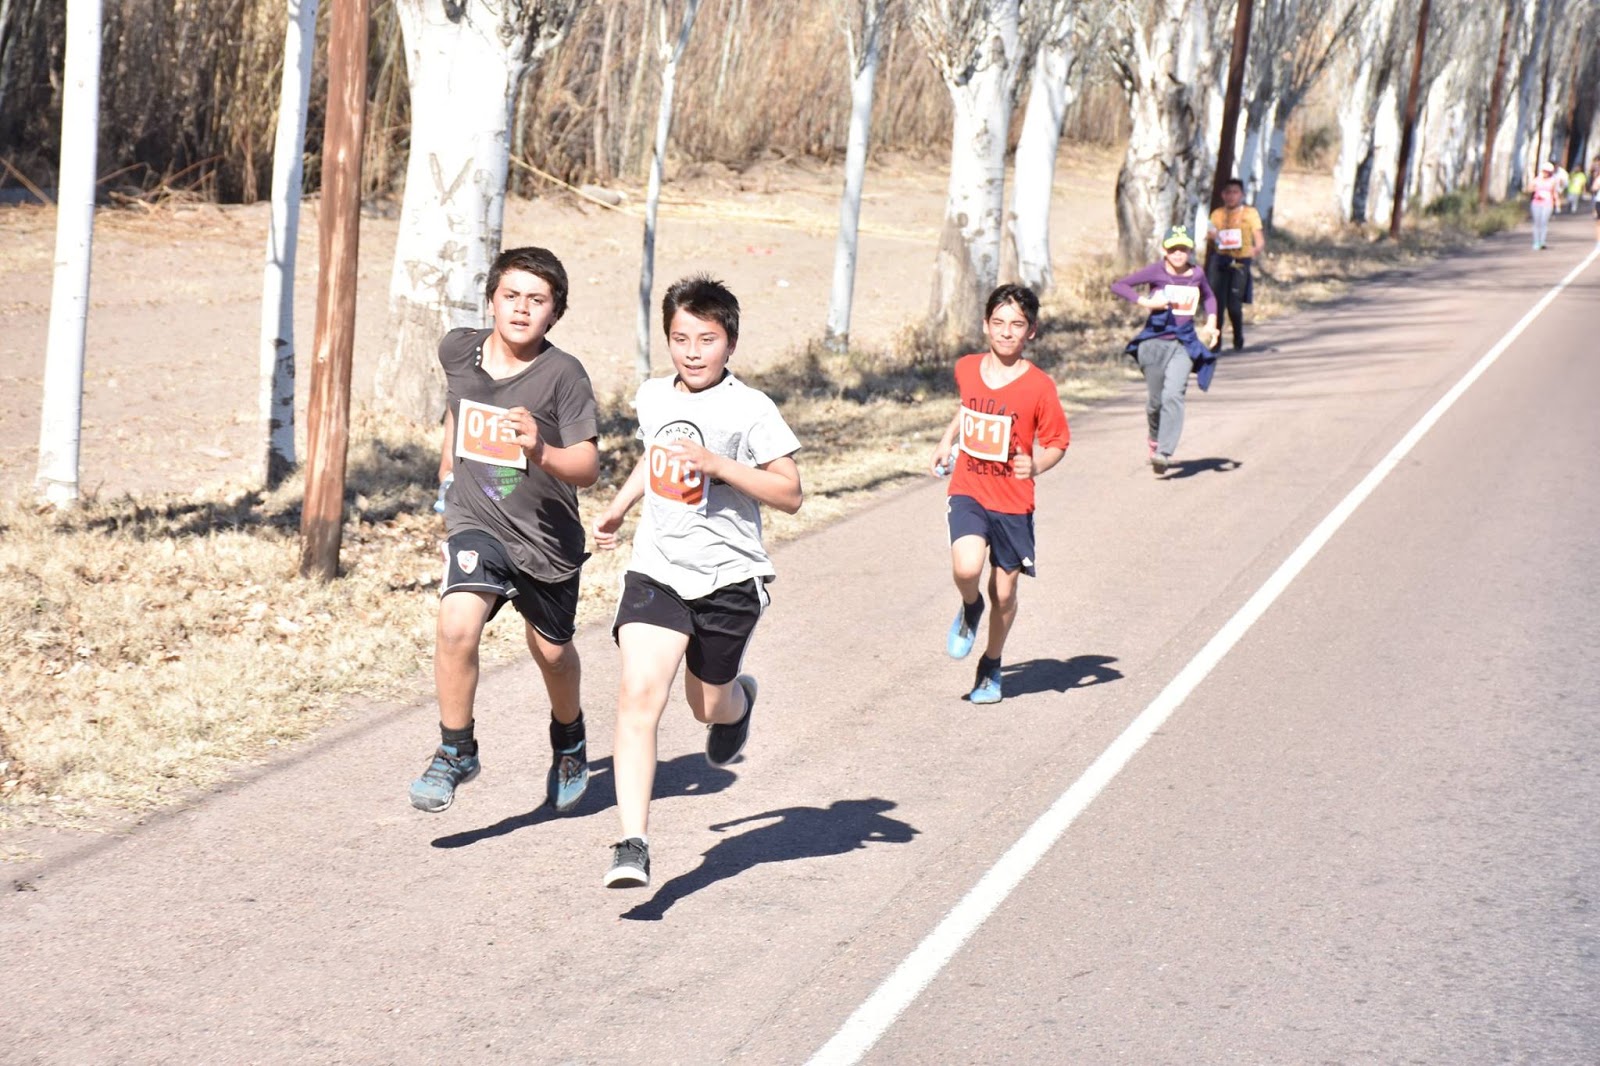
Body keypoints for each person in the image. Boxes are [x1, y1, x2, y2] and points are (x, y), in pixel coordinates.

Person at [592, 275, 803, 889]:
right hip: (658, 569)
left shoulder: (751, 409)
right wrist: (619, 507)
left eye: (706, 339)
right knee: (638, 695)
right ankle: (632, 842)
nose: (692, 352)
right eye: (680, 338)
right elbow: (654, 455)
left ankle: (738, 704)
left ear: (729, 343)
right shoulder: (653, 396)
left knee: (706, 704)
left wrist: (718, 464)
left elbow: (790, 493)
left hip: (728, 577)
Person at [407, 246, 600, 816]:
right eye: (511, 295)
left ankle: (570, 737)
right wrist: (447, 467)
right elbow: (458, 402)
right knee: (456, 626)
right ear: (491, 300)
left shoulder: (564, 375)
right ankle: (455, 750)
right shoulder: (458, 349)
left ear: (555, 313)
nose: (521, 309)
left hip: (545, 539)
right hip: (477, 521)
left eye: (536, 300)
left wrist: (540, 449)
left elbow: (588, 467)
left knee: (552, 653)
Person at [930, 284, 1070, 706]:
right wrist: (947, 440)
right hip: (969, 488)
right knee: (966, 567)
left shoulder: (1040, 387)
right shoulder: (967, 367)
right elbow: (968, 405)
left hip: (1012, 501)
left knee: (1004, 594)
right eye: (999, 322)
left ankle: (991, 663)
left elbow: (1058, 441)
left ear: (1031, 331)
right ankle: (970, 606)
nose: (1007, 332)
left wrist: (1038, 465)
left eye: (1017, 325)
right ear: (985, 325)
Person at [1111, 225, 1222, 475]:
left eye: (1183, 249)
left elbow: (1209, 297)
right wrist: (1146, 302)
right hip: (1154, 342)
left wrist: (1212, 322)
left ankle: (1164, 452)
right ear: (1165, 250)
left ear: (1190, 250)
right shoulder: (1156, 271)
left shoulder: (1197, 273)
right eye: (1173, 249)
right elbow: (1119, 286)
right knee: (1155, 402)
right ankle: (1154, 437)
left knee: (1173, 395)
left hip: (1184, 343)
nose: (1178, 254)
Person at [1205, 177, 1266, 351]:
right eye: (1228, 192)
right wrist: (1212, 237)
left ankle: (1238, 336)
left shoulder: (1250, 213)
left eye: (1235, 192)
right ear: (1223, 195)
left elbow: (1259, 238)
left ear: (1242, 195)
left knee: (1234, 304)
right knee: (1217, 303)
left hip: (1240, 261)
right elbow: (1210, 236)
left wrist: (1256, 249)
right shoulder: (1217, 214)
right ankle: (1216, 342)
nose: (1232, 196)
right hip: (1220, 260)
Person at [1530, 161, 1562, 249]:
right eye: (1544, 171)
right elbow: (1530, 188)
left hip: (1547, 203)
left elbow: (1554, 192)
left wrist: (1557, 203)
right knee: (1537, 223)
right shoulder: (1537, 179)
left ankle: (1542, 241)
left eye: (1547, 172)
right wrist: (1535, 186)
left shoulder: (1552, 181)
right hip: (1536, 203)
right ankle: (1536, 241)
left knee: (1544, 222)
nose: (1546, 173)